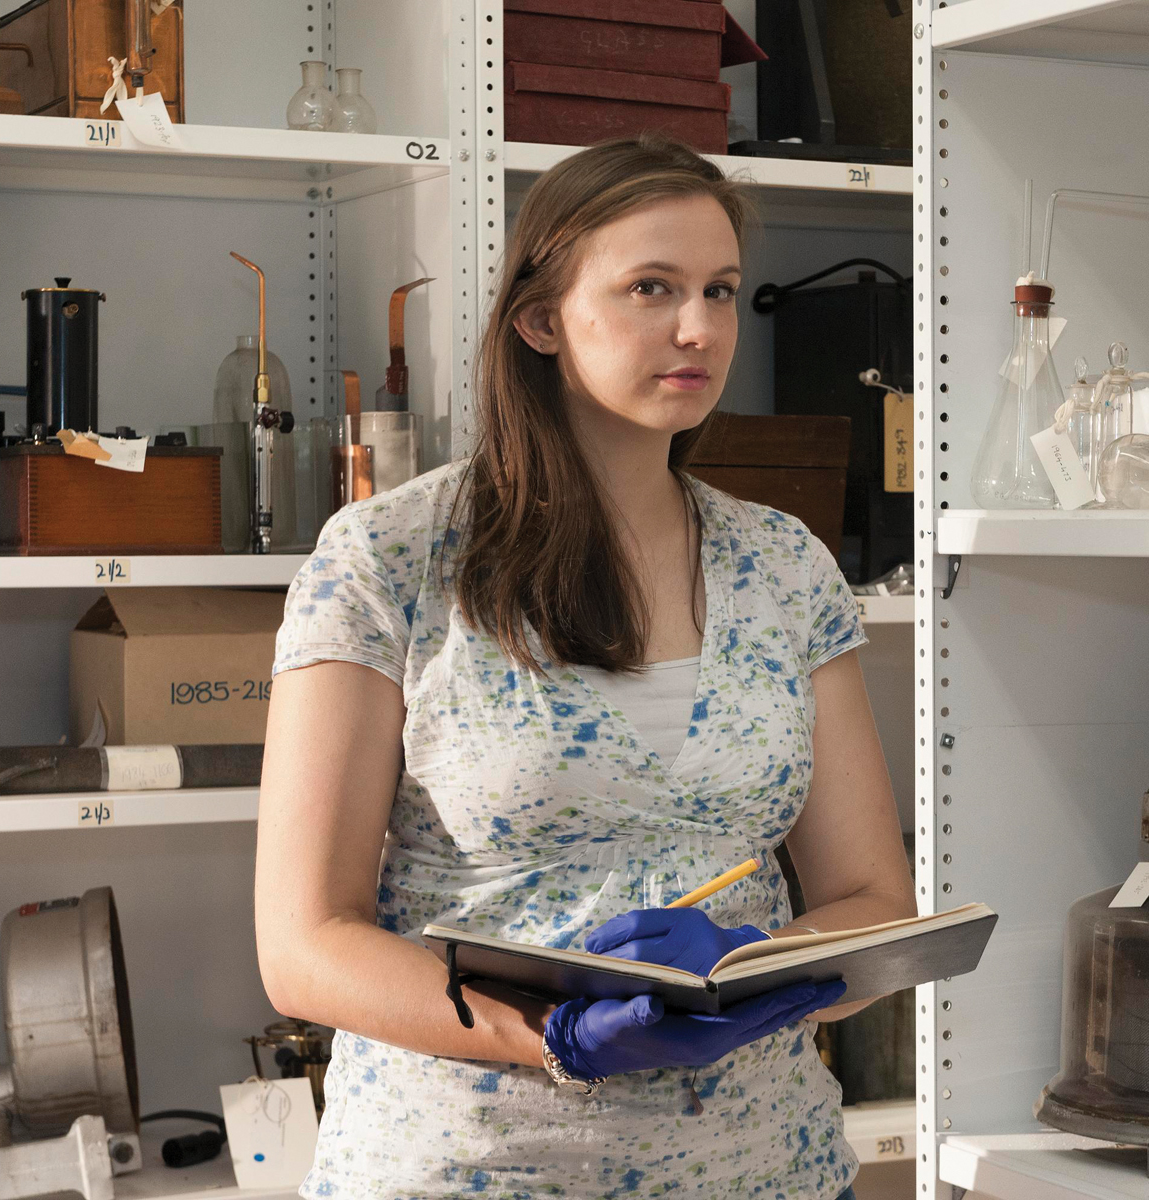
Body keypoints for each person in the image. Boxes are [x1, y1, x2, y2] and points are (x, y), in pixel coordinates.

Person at [255, 133, 916, 1200]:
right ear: (540, 318)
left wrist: (757, 975)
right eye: (650, 287)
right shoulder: (390, 558)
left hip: (763, 1169)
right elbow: (304, 946)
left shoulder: (784, 564)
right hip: (468, 1170)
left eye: (719, 290)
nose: (698, 327)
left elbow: (868, 896)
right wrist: (552, 1035)